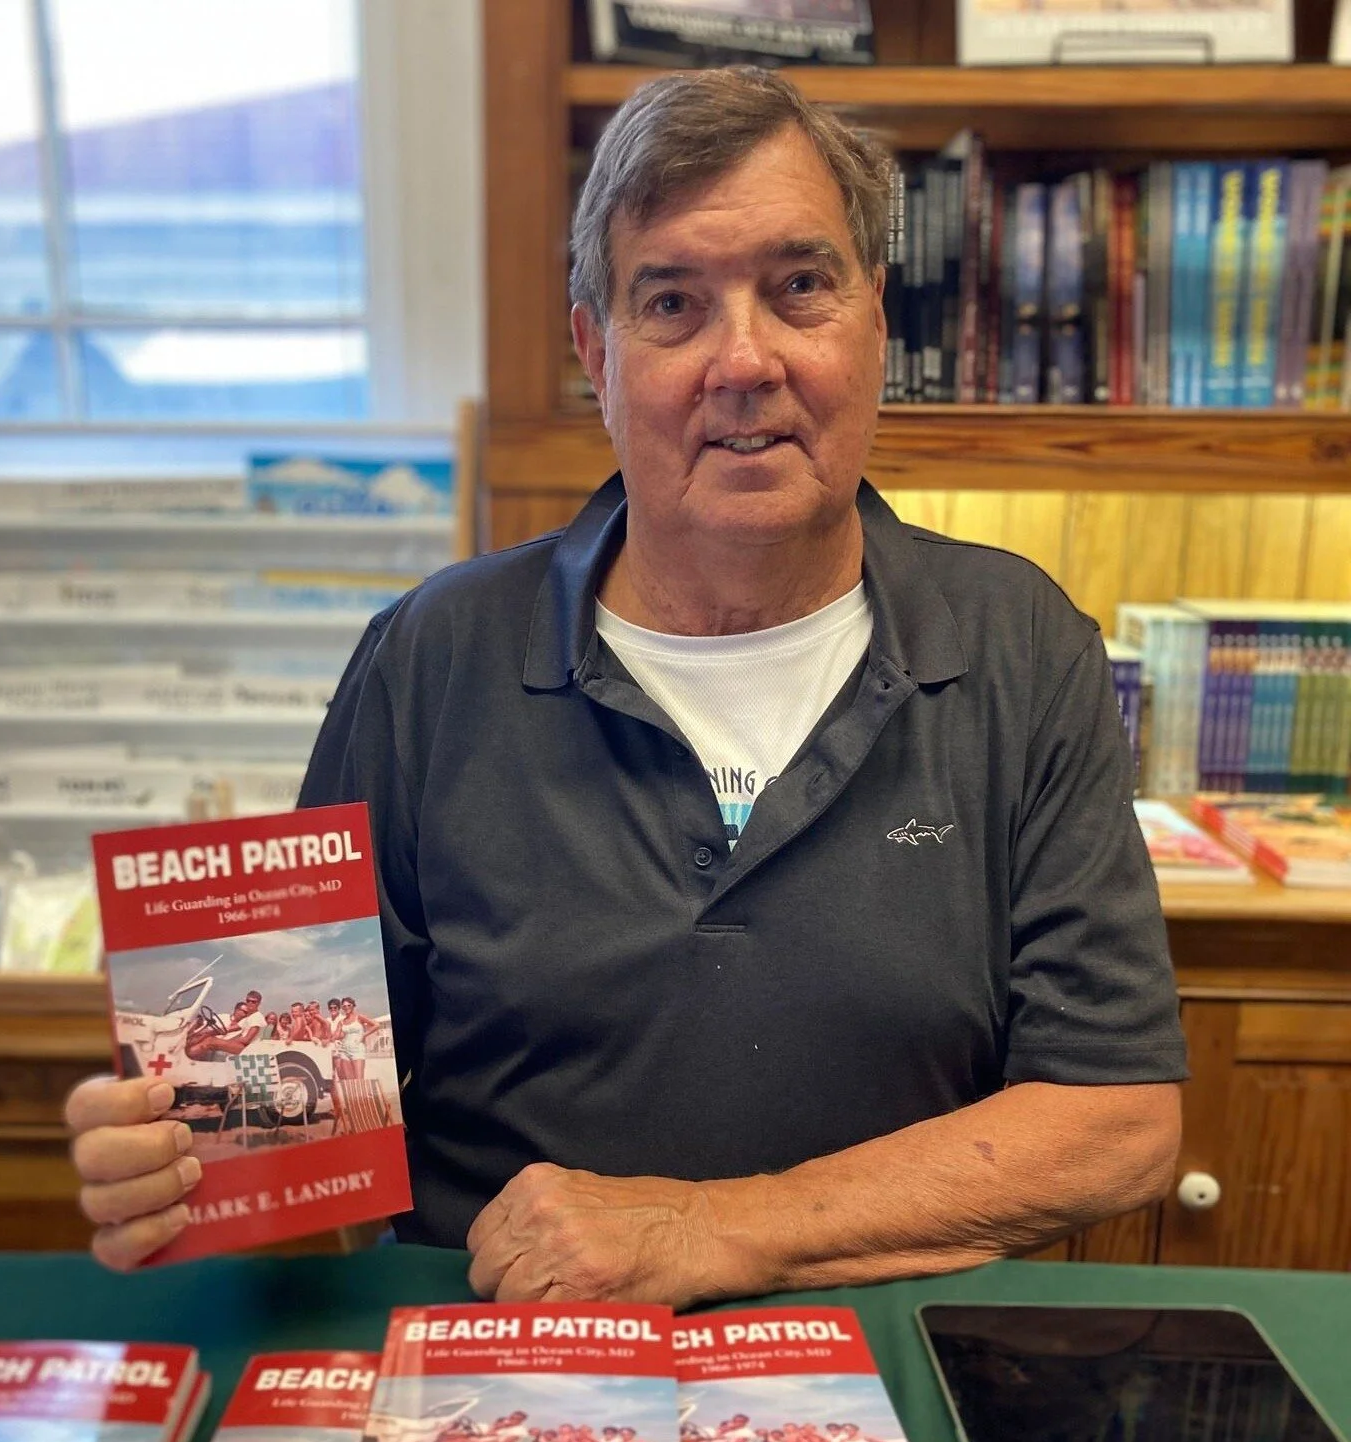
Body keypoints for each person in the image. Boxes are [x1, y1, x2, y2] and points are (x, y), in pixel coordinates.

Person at [66, 66, 1184, 1298]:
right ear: (597, 352)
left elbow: (1117, 1119)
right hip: (500, 1375)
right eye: (673, 303)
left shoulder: (1024, 645)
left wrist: (711, 1228)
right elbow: (299, 1162)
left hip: (886, 1379)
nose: (743, 359)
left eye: (800, 287)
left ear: (874, 320)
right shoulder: (429, 658)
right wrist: (184, 1173)